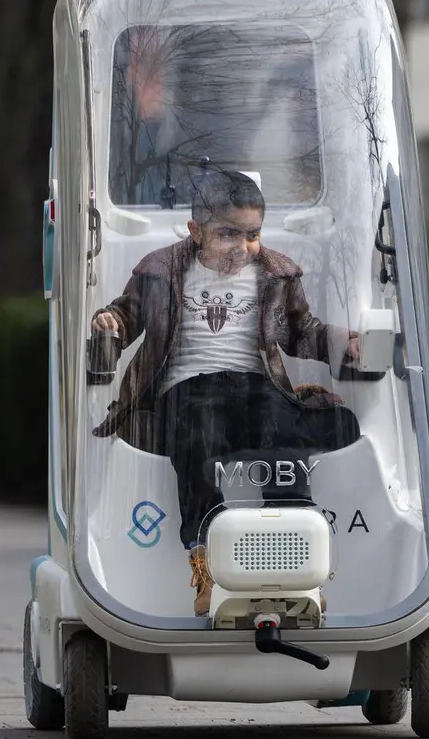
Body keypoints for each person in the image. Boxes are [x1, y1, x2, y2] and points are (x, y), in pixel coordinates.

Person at [89, 168, 363, 616]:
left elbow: (301, 332)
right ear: (196, 231)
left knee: (284, 443)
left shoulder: (273, 273)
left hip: (257, 383)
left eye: (252, 234)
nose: (242, 247)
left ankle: (296, 563)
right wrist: (111, 324)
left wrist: (341, 342)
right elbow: (126, 314)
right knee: (198, 439)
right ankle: (207, 569)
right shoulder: (159, 271)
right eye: (228, 234)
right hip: (188, 386)